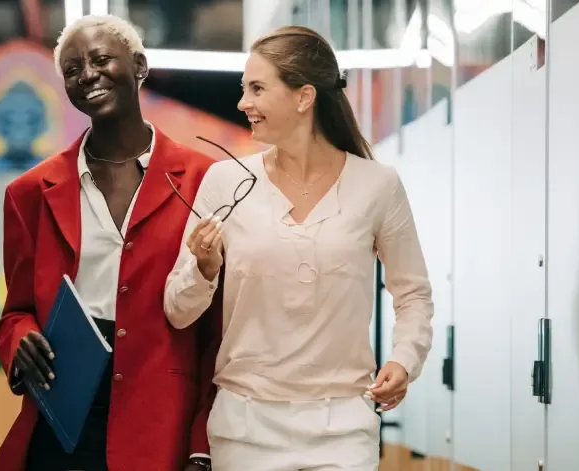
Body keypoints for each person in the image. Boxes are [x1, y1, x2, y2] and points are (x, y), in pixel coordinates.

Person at [164, 26, 434, 470]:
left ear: (303, 97)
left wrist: (405, 360)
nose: (241, 103)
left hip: (343, 428)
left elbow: (413, 294)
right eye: (243, 88)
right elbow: (178, 309)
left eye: (256, 89)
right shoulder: (224, 182)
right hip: (244, 428)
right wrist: (203, 269)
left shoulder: (377, 186)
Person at [0, 14, 223, 471]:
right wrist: (19, 340)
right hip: (64, 413)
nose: (87, 75)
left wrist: (202, 443)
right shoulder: (30, 193)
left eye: (100, 59)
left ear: (139, 65)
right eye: (73, 69)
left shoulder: (203, 180)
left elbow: (217, 330)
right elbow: (14, 313)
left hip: (160, 421)